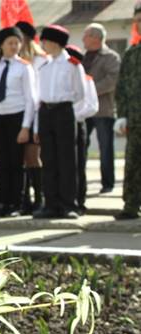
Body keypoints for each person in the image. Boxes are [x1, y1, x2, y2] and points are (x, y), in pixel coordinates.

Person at [0, 27, 36, 217]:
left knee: (16, 163)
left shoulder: (24, 67)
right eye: (10, 43)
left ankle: (17, 203)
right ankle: (3, 201)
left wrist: (25, 127)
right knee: (2, 163)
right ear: (1, 45)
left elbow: (31, 99)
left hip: (17, 117)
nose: (14, 46)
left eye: (16, 42)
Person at [33, 25, 85, 219]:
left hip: (63, 111)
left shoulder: (72, 64)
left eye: (44, 41)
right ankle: (51, 204)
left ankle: (68, 204)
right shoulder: (44, 66)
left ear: (54, 42)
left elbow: (80, 93)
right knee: (48, 159)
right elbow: (39, 96)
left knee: (67, 160)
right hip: (45, 112)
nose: (42, 44)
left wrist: (64, 105)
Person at [82, 23, 121, 194]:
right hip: (85, 110)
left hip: (103, 110)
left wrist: (89, 91)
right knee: (81, 145)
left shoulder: (111, 57)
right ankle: (79, 181)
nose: (83, 39)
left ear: (95, 38)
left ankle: (108, 183)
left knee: (105, 148)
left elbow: (112, 81)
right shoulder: (84, 57)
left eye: (86, 36)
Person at [114, 2, 141, 220]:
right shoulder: (131, 54)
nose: (140, 25)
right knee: (132, 164)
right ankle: (131, 205)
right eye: (138, 21)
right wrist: (121, 115)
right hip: (134, 120)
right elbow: (121, 87)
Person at [17, 20, 48, 214]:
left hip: (36, 114)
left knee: (33, 158)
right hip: (17, 114)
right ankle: (24, 199)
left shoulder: (40, 59)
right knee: (20, 160)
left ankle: (39, 198)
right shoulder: (15, 60)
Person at [66, 45, 99, 215]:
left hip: (78, 124)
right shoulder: (58, 78)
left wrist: (72, 115)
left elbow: (92, 107)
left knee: (78, 164)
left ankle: (79, 200)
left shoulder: (86, 79)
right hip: (60, 125)